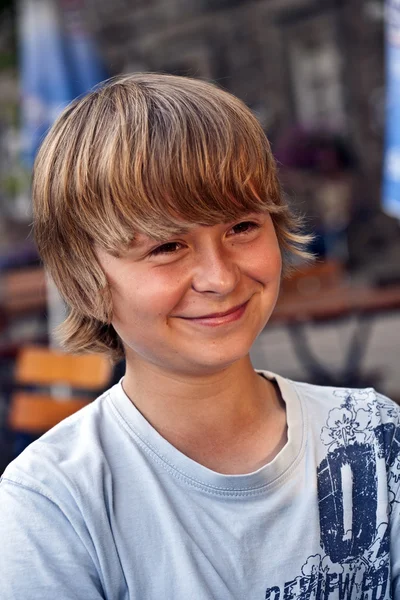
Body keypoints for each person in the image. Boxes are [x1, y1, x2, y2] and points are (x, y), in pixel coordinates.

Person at [0, 73, 399, 600]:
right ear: (86, 283)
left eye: (241, 228)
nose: (221, 278)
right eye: (167, 247)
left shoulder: (373, 435)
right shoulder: (54, 500)